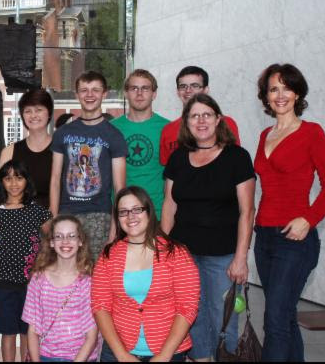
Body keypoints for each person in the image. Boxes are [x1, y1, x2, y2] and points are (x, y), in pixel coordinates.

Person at [253, 63, 325, 361]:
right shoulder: (265, 134)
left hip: (295, 238)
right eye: (273, 89)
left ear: (298, 93)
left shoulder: (311, 133)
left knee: (275, 320)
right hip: (264, 237)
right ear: (266, 96)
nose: (280, 95)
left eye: (287, 88)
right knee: (285, 316)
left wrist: (309, 219)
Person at [160, 93, 256, 361]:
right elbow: (169, 205)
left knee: (224, 316)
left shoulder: (237, 157)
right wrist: (162, 247)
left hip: (223, 255)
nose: (201, 121)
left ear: (218, 119)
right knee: (191, 315)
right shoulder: (178, 158)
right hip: (183, 254)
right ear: (186, 122)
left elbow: (247, 212)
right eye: (194, 116)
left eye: (207, 115)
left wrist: (241, 258)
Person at [92, 187, 199, 362]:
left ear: (149, 212)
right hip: (118, 351)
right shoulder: (108, 256)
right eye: (123, 212)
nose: (130, 216)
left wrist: (164, 355)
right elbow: (100, 306)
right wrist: (122, 355)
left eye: (137, 209)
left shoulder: (177, 253)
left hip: (169, 352)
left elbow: (187, 307)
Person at [0, 160, 53, 362]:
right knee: (8, 331)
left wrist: (38, 253)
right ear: (1, 182)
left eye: (19, 178)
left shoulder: (38, 211)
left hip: (32, 282)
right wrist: (8, 246)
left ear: (26, 180)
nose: (13, 183)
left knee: (28, 330)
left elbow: (52, 241)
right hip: (3, 282)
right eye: (8, 178)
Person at [50, 71, 127, 256]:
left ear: (104, 94)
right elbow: (55, 180)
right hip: (67, 213)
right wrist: (53, 219)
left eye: (95, 90)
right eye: (84, 90)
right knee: (66, 269)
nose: (89, 95)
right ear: (77, 94)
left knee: (96, 270)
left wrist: (114, 228)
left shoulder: (114, 135)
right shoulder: (62, 133)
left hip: (99, 215)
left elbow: (119, 188)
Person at [22, 215, 101, 362]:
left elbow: (91, 336)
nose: (65, 241)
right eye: (59, 236)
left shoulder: (89, 282)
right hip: (46, 356)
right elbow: (32, 330)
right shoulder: (38, 279)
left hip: (81, 357)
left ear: (80, 241)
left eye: (72, 236)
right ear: (51, 242)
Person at [111, 70, 170, 219]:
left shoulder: (168, 129)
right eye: (134, 88)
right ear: (126, 93)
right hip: (123, 213)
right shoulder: (111, 129)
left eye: (145, 88)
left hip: (157, 212)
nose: (139, 93)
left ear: (154, 94)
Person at [159, 66, 240, 166]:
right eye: (183, 86)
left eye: (195, 85)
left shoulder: (226, 123)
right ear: (178, 92)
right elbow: (169, 169)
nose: (188, 90)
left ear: (206, 90)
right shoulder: (168, 130)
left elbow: (236, 161)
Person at [0, 88, 54, 208]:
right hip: (17, 214)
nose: (33, 115)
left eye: (39, 110)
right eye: (28, 111)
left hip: (55, 215)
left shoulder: (60, 149)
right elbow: (1, 192)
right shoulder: (9, 152)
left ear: (49, 113)